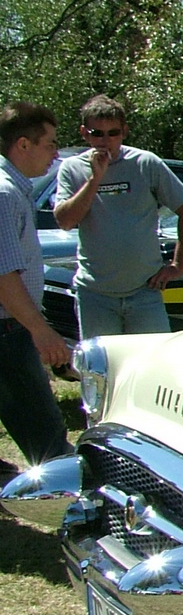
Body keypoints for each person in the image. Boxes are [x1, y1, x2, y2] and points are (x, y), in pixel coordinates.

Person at [54, 95, 183, 337]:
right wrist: (95, 178)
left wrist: (177, 266)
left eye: (113, 133)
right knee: (103, 370)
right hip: (95, 294)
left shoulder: (146, 163)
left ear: (124, 132)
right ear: (84, 133)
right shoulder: (72, 168)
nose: (105, 141)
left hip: (144, 291)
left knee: (151, 368)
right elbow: (66, 221)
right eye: (97, 133)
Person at [0, 102, 71, 467]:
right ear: (23, 145)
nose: (56, 154)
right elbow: (4, 278)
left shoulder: (14, 189)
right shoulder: (4, 194)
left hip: (10, 329)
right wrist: (41, 331)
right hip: (7, 333)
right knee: (48, 442)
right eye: (49, 144)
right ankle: (71, 512)